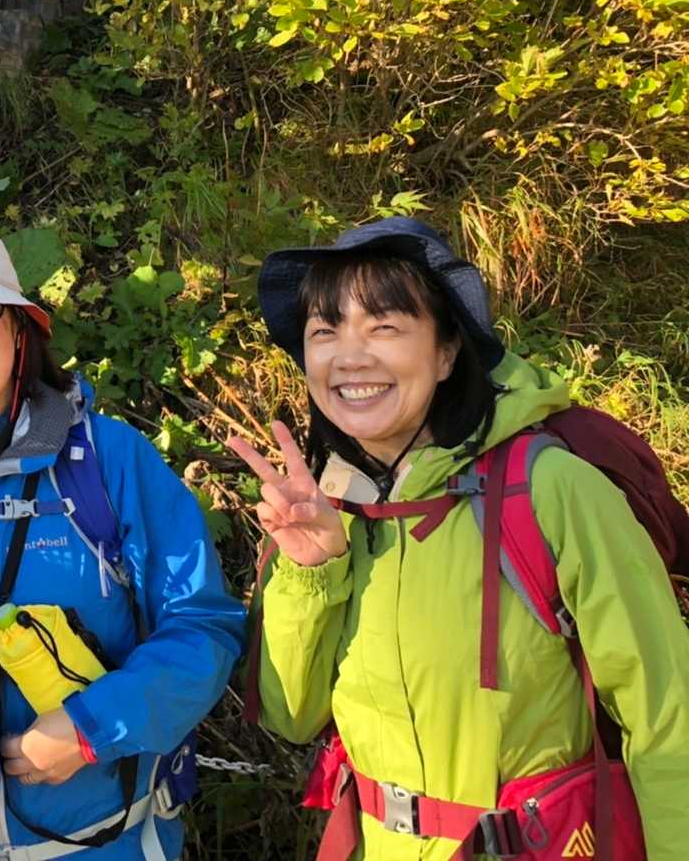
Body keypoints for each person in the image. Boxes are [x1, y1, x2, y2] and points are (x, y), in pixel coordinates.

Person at [229, 218, 689, 860]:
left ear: (447, 352)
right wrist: (312, 571)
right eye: (324, 331)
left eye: (384, 327)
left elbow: (666, 711)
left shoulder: (549, 488)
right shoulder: (326, 508)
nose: (350, 356)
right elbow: (293, 717)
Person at [0, 221, 246, 859]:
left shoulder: (108, 463)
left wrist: (92, 727)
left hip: (109, 845)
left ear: (17, 327)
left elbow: (201, 625)